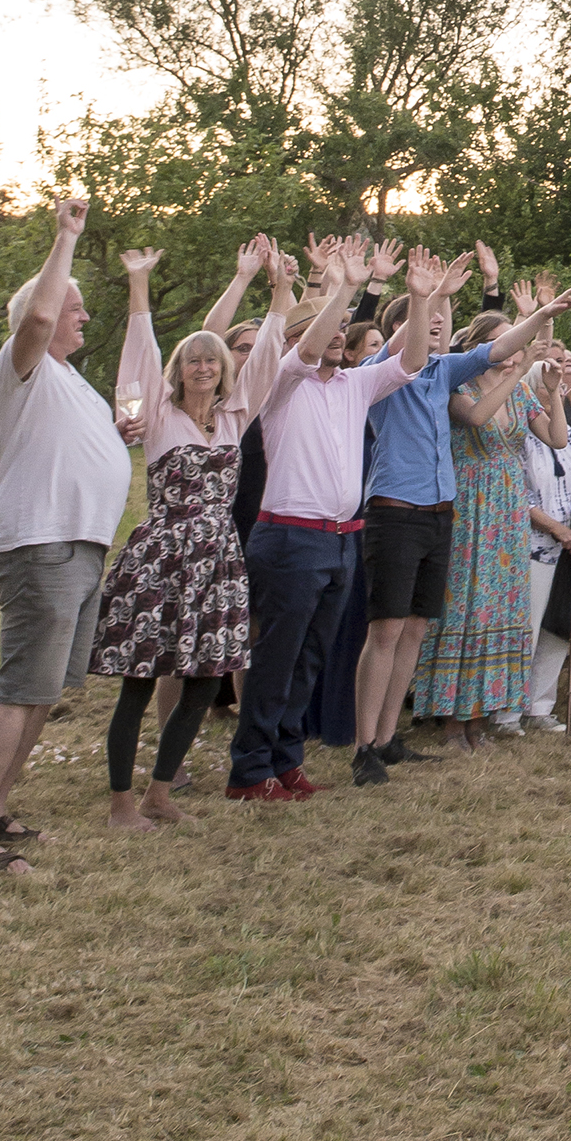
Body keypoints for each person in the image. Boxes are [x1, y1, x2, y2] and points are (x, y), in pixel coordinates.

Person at [0, 191, 135, 874]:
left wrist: (114, 436)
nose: (82, 315)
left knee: (45, 691)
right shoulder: (18, 363)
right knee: (22, 687)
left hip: (80, 546)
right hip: (39, 545)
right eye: (76, 307)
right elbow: (44, 310)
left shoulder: (66, 378)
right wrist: (66, 238)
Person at [227, 239, 415, 801]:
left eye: (341, 329)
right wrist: (348, 289)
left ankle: (287, 761)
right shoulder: (280, 385)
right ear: (291, 343)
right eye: (325, 329)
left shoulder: (357, 384)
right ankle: (249, 770)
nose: (338, 334)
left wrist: (424, 298)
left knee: (309, 661)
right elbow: (309, 345)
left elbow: (410, 360)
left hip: (341, 541)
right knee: (276, 660)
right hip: (290, 537)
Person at [91, 243, 262, 833]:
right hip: (163, 556)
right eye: (192, 359)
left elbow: (273, 354)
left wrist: (277, 288)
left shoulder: (237, 417)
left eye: (212, 360)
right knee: (139, 682)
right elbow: (138, 360)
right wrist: (139, 284)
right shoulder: (159, 415)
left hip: (218, 560)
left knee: (205, 679)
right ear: (179, 369)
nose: (203, 366)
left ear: (224, 371)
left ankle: (160, 792)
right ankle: (119, 804)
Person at [351, 250, 489, 769]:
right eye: (423, 323)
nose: (434, 328)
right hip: (393, 513)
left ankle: (388, 738)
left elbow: (469, 344)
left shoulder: (441, 373)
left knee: (414, 629)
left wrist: (443, 298)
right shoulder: (376, 373)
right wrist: (421, 294)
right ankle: (364, 746)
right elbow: (404, 347)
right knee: (385, 630)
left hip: (437, 514)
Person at [421, 287, 570, 748]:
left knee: (500, 606)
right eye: (505, 343)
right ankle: (450, 718)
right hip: (469, 503)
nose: (513, 351)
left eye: (517, 343)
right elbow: (480, 420)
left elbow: (558, 439)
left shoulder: (522, 393)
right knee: (464, 605)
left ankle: (480, 717)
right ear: (482, 346)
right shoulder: (457, 387)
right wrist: (520, 371)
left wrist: (553, 392)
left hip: (508, 507)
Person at [521, 350, 571, 728]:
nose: (552, 396)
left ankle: (540, 706)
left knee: (557, 627)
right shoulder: (522, 436)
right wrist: (554, 527)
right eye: (545, 391)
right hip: (534, 546)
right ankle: (508, 710)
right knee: (527, 628)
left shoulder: (567, 435)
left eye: (557, 391)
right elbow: (521, 495)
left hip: (569, 544)